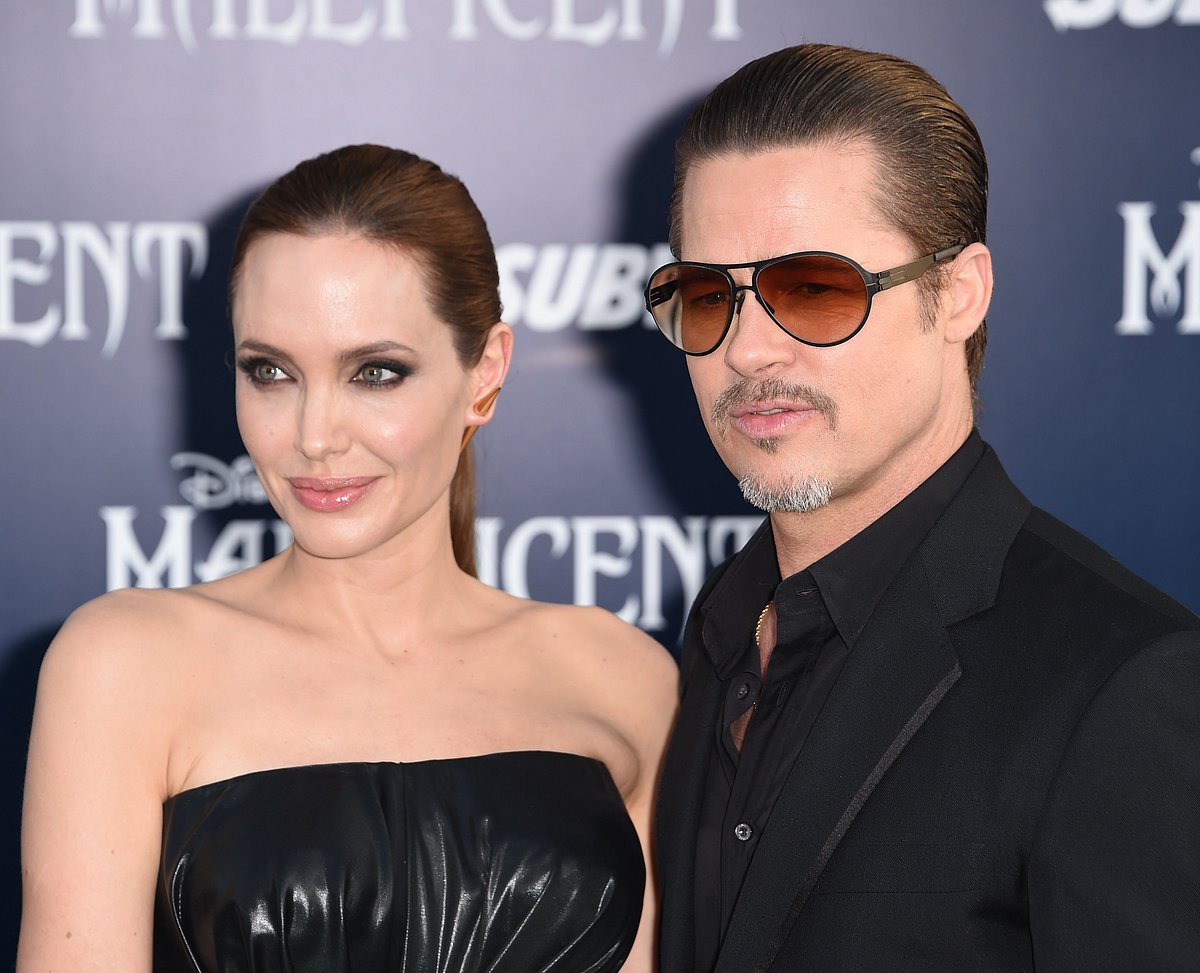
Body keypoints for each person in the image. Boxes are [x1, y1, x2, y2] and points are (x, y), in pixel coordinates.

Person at [18, 144, 676, 973]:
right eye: (270, 371)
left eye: (375, 372)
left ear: (485, 372)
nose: (313, 435)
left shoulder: (623, 678)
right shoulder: (124, 666)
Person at [645, 44, 1200, 972]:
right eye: (709, 296)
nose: (747, 350)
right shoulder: (721, 631)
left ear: (959, 294)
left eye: (813, 290)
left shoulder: (1124, 686)